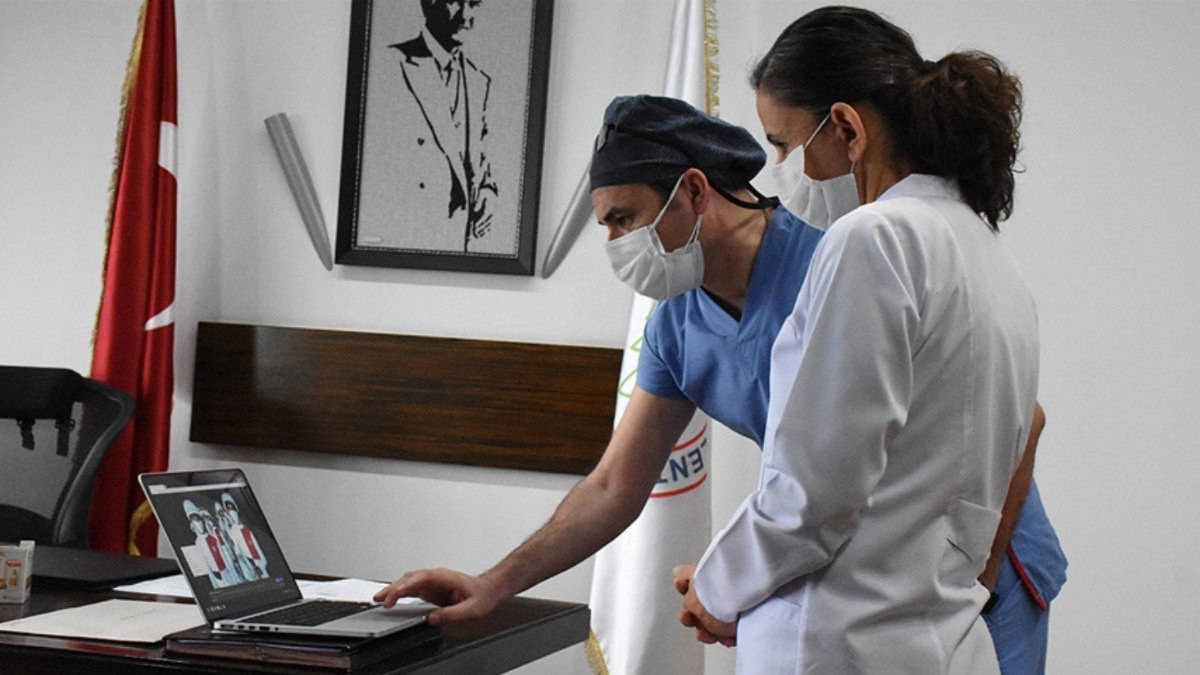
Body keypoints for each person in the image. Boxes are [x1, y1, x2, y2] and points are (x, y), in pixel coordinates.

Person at [676, 6, 1044, 673]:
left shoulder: (874, 238)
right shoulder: (989, 252)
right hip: (941, 641)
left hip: (838, 644)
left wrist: (716, 588)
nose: (779, 171)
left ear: (846, 127)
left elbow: (813, 495)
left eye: (784, 145)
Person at [380, 0, 496, 253]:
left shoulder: (479, 81)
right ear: (428, 4)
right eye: (456, 2)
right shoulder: (389, 64)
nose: (466, 15)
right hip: (404, 239)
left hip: (457, 245)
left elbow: (482, 160)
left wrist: (487, 192)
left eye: (474, 3)